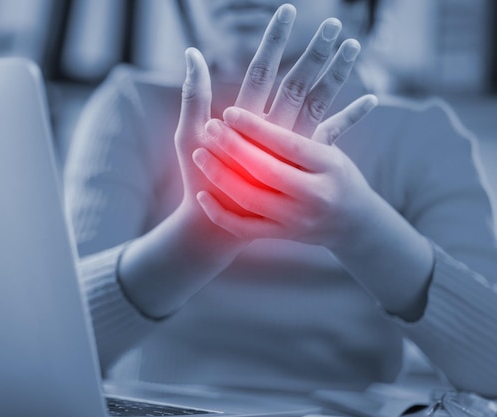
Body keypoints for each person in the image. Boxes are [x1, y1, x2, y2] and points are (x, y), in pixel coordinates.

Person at [64, 0, 497, 398]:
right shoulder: (130, 107)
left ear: (356, 5)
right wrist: (203, 231)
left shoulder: (423, 137)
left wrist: (361, 228)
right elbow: (56, 341)